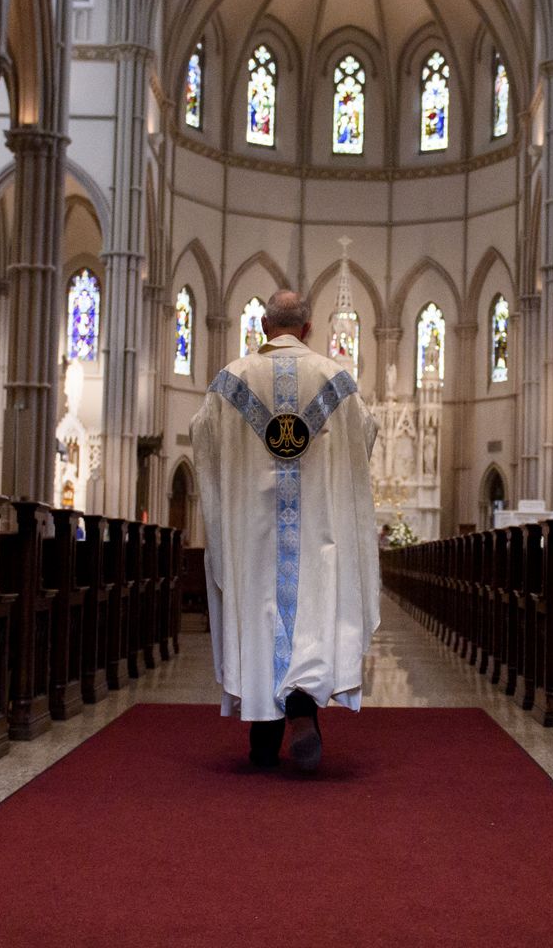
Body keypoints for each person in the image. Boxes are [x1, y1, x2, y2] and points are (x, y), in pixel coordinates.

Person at [191, 289, 382, 771]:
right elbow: (367, 435)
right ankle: (301, 707)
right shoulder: (335, 380)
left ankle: (263, 725)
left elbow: (203, 439)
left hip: (252, 537)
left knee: (261, 615)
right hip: (318, 532)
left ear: (262, 329)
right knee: (312, 612)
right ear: (309, 328)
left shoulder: (230, 382)